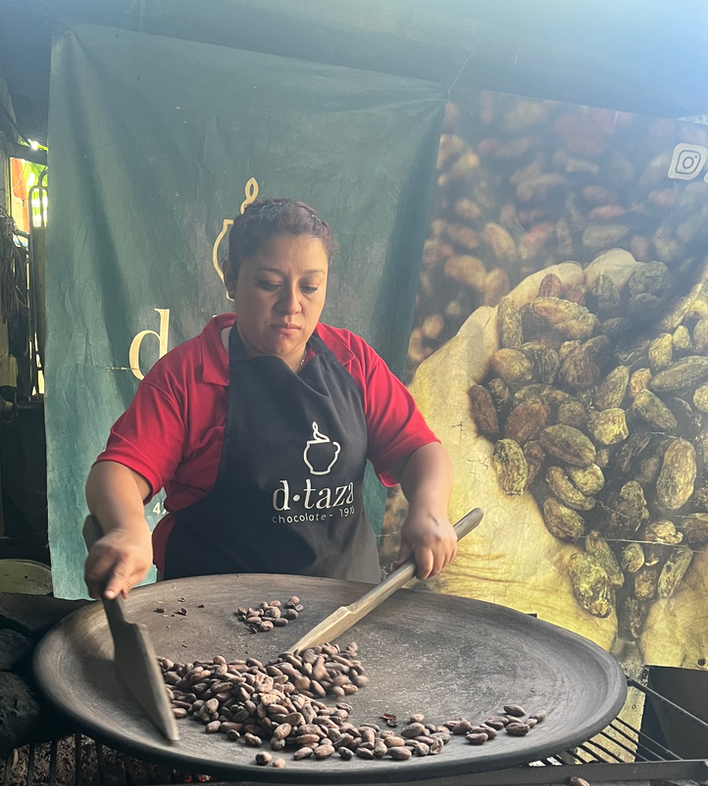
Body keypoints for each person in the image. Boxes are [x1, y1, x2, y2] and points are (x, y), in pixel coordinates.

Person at [84, 198, 457, 599]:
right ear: (230, 277)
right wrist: (127, 527)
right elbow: (121, 469)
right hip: (208, 618)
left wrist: (430, 509)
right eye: (269, 284)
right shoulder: (189, 376)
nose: (292, 305)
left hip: (342, 612)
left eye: (310, 287)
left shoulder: (353, 361)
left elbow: (419, 450)